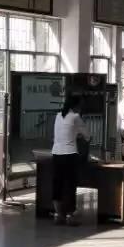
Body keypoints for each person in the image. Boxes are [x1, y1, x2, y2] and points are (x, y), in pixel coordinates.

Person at [51, 94, 90, 225]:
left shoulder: (58, 115)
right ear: (76, 106)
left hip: (56, 153)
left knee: (58, 184)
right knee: (70, 185)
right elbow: (88, 135)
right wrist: (80, 136)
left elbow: (60, 134)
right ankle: (70, 216)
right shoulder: (76, 117)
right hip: (70, 154)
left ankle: (58, 215)